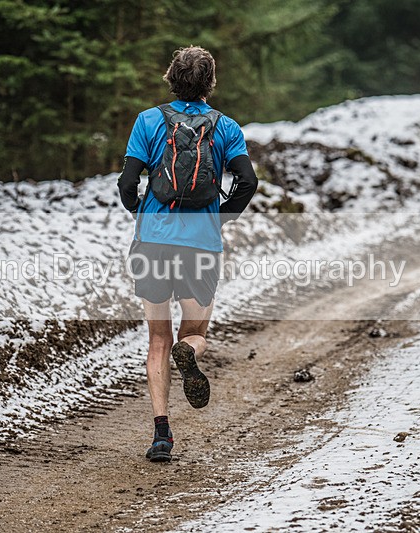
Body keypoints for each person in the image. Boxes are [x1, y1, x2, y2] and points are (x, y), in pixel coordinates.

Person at [117, 46, 258, 462]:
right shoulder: (226, 127)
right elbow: (247, 181)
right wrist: (222, 217)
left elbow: (127, 183)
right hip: (201, 244)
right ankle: (190, 354)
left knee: (157, 339)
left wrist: (140, 212)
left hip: (154, 242)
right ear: (210, 83)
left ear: (171, 77)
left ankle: (162, 434)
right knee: (194, 333)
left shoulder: (147, 121)